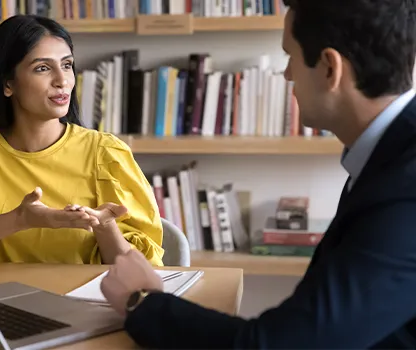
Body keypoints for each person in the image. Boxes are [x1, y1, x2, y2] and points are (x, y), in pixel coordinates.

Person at [100, 0, 416, 348]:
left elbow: (280, 345)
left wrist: (140, 302)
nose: (287, 75)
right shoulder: (388, 155)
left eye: (290, 57)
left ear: (329, 68)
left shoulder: (404, 187)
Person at [0, 15, 164, 269]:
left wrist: (104, 226)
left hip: (82, 306)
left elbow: (145, 271)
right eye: (43, 68)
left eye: (66, 65)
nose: (62, 81)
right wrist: (20, 219)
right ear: (8, 83)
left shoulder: (106, 153)